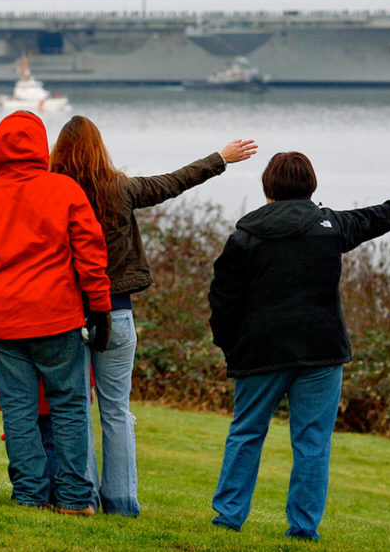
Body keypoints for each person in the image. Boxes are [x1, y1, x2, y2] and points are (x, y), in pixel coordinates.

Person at [207, 151, 390, 540]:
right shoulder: (330, 226)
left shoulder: (244, 236)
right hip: (322, 351)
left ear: (268, 188)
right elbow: (367, 219)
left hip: (260, 351)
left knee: (246, 432)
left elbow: (222, 300)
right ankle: (303, 528)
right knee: (312, 442)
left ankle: (228, 518)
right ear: (311, 186)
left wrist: (230, 346)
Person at [49, 114, 257, 516]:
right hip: (118, 312)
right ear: (99, 149)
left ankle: (82, 497)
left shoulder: (50, 193)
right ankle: (123, 503)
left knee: (75, 409)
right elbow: (174, 182)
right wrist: (221, 157)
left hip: (66, 316)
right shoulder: (121, 188)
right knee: (116, 411)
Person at [0, 111, 112, 515]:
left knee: (19, 409)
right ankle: (76, 499)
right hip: (58, 317)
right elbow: (91, 256)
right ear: (41, 146)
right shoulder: (65, 190)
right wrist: (100, 308)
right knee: (70, 407)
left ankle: (29, 494)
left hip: (6, 320)